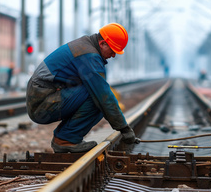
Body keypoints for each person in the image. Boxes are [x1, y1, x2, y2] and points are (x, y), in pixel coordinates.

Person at [26, 23, 139, 153]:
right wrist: (124, 128)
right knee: (98, 97)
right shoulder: (89, 56)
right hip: (41, 105)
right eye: (113, 50)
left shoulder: (86, 47)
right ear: (102, 43)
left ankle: (64, 137)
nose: (113, 55)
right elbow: (103, 96)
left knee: (98, 95)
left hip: (44, 98)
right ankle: (65, 139)